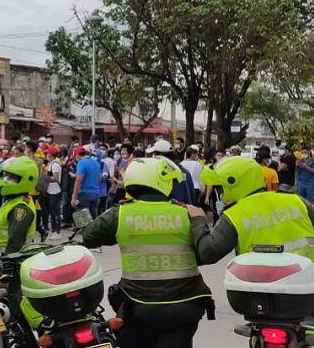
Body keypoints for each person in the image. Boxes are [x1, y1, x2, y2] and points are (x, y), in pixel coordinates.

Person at [195, 155, 314, 338]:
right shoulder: (295, 201)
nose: (220, 193)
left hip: (265, 304)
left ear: (233, 185)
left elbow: (207, 252)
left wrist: (198, 221)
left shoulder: (234, 215)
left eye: (220, 188)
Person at [81, 157, 212, 348]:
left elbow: (89, 236)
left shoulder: (120, 213)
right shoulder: (185, 212)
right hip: (184, 306)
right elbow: (203, 252)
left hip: (138, 307)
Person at [0, 156, 38, 253]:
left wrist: (4, 264)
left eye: (12, 178)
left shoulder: (20, 209)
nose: (6, 180)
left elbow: (14, 246)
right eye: (7, 175)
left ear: (26, 180)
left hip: (2, 257)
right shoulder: (13, 199)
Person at [71, 146, 102, 219]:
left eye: (75, 157)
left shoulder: (81, 163)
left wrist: (74, 197)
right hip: (95, 193)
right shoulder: (95, 162)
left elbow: (78, 180)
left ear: (77, 155)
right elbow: (99, 178)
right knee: (94, 218)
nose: (75, 159)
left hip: (84, 193)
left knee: (83, 220)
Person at [43, 146, 63, 240]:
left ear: (50, 154)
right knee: (52, 212)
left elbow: (55, 178)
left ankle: (58, 232)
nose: (46, 155)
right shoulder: (51, 163)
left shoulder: (55, 164)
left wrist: (45, 178)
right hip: (50, 190)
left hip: (55, 191)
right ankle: (54, 230)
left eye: (47, 153)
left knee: (55, 212)